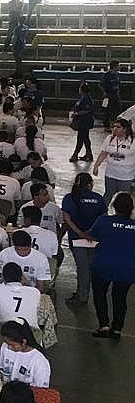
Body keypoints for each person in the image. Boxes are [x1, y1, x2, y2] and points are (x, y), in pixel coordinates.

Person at [89, 191, 135, 338]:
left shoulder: (104, 221)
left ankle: (103, 325)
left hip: (103, 264)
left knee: (99, 294)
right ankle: (117, 329)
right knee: (120, 298)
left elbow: (92, 236)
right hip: (127, 268)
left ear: (114, 206)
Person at [61, 172, 107, 305]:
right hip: (93, 239)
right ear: (90, 184)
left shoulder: (70, 198)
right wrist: (91, 232)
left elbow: (67, 219)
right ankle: (86, 292)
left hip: (77, 239)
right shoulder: (98, 198)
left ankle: (82, 296)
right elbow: (103, 218)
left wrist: (80, 233)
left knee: (82, 268)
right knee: (89, 267)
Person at [93, 117, 135, 205]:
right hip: (110, 173)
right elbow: (104, 153)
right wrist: (96, 166)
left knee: (123, 198)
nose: (115, 129)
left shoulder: (133, 141)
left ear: (125, 129)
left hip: (126, 176)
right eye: (114, 126)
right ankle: (102, 211)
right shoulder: (109, 138)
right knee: (108, 194)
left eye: (118, 127)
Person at [0, 320, 50, 388]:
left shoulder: (39, 362)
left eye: (12, 345)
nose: (8, 347)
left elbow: (41, 390)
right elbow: (1, 369)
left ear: (24, 342)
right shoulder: (5, 347)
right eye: (6, 343)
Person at [0, 263, 41, 327]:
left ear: (3, 277)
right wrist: (27, 283)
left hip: (5, 330)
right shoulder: (35, 292)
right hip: (30, 331)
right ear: (22, 277)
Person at [70, 82, 96, 162]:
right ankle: (89, 154)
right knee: (85, 138)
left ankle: (75, 154)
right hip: (81, 121)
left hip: (85, 121)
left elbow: (87, 110)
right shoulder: (83, 98)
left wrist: (77, 113)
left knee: (81, 138)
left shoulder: (87, 99)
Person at [101, 60, 122, 129]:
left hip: (116, 95)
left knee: (118, 110)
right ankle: (106, 126)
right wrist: (104, 92)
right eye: (118, 66)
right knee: (107, 111)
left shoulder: (117, 74)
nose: (119, 67)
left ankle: (117, 124)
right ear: (114, 67)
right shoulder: (107, 75)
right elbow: (101, 84)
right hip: (109, 96)